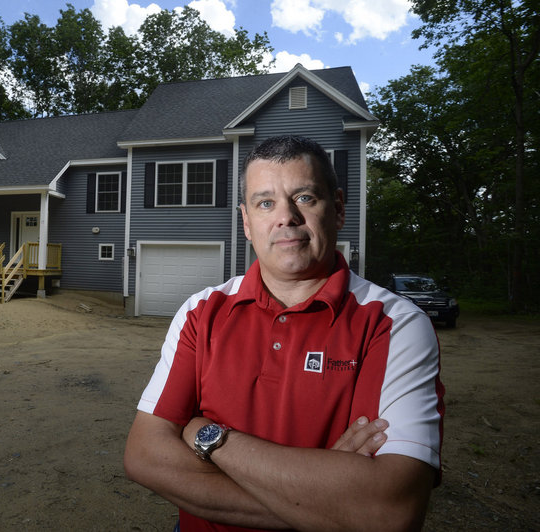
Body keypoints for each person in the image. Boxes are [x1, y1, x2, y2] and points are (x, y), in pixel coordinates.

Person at [124, 135, 444, 531]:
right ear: (246, 222)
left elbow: (389, 512)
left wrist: (205, 435)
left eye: (305, 198)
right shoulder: (201, 311)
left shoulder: (394, 323)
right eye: (265, 202)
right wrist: (328, 506)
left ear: (339, 209)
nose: (286, 217)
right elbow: (144, 455)